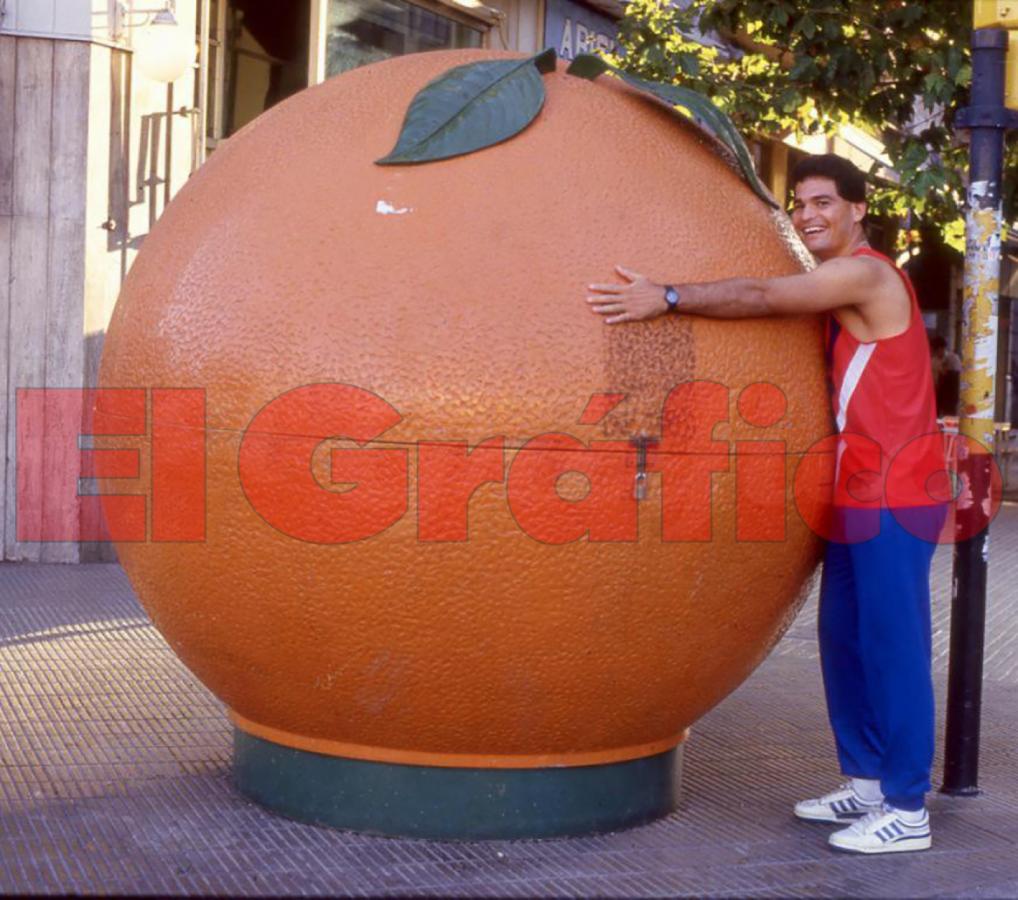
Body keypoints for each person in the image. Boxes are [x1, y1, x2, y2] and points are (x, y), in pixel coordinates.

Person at [587, 153, 946, 855]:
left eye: (822, 203)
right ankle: (867, 783)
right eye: (799, 206)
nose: (809, 216)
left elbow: (759, 295)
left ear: (857, 208)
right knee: (845, 641)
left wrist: (665, 297)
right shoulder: (837, 283)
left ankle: (907, 807)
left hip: (899, 490)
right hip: (855, 485)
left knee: (893, 647)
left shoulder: (865, 273)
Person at [929, 334, 962, 417]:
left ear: (941, 348)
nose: (935, 353)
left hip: (951, 393)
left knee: (950, 416)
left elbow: (956, 377)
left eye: (936, 351)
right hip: (937, 393)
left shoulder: (953, 358)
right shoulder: (933, 361)